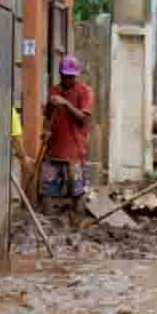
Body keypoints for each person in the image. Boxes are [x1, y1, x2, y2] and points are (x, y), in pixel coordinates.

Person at [41, 55, 94, 226]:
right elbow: (48, 114)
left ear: (76, 75)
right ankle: (50, 226)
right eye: (65, 75)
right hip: (53, 149)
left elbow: (82, 119)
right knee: (48, 190)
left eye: (71, 76)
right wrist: (49, 109)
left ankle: (76, 225)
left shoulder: (85, 91)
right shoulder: (54, 90)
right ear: (60, 74)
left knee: (77, 190)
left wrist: (65, 103)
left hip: (74, 151)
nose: (68, 79)